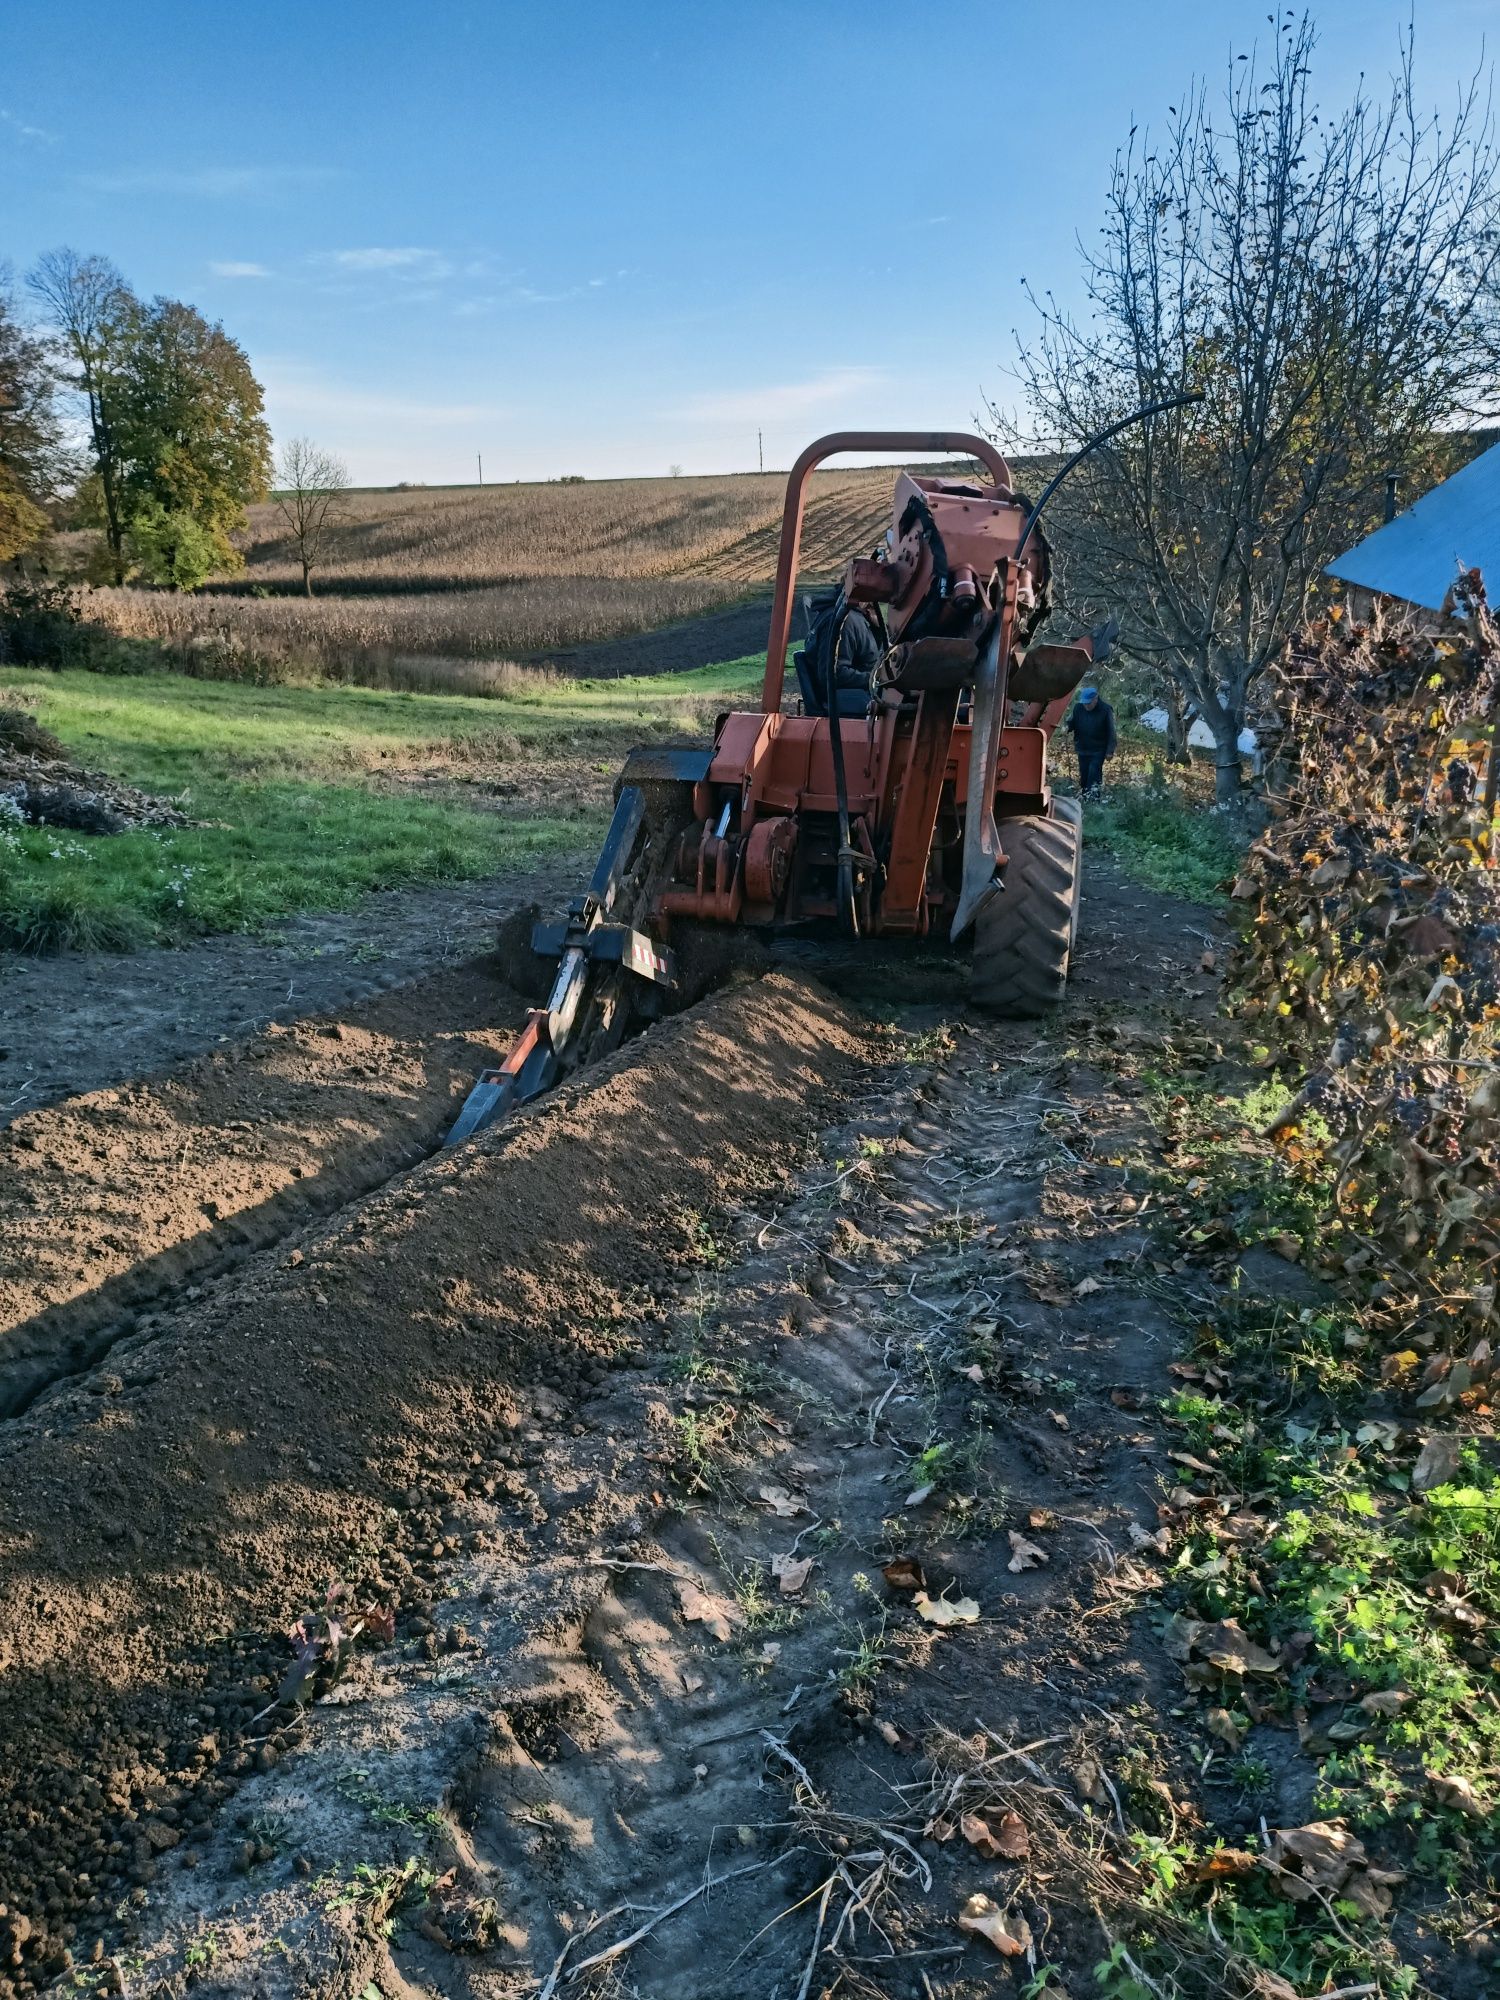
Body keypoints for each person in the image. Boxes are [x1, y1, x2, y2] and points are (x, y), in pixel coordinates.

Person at [1067, 684, 1117, 798]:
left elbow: (1111, 731)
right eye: (1084, 703)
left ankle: (1094, 801)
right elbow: (1073, 722)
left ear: (1096, 699)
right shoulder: (1078, 708)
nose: (1086, 706)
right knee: (1084, 777)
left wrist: (1110, 750)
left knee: (1093, 776)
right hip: (1082, 748)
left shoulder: (1106, 710)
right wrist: (1069, 726)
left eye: (1088, 703)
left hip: (1098, 749)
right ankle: (1086, 800)